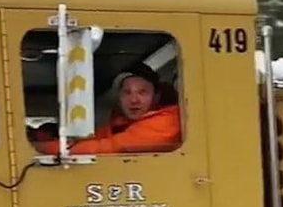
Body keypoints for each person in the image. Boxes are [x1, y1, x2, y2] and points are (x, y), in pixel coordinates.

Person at [34, 63, 181, 155]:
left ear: (156, 96)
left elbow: (112, 146)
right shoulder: (119, 123)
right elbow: (89, 141)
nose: (134, 100)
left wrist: (41, 149)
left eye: (142, 92)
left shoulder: (169, 120)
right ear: (119, 98)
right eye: (126, 92)